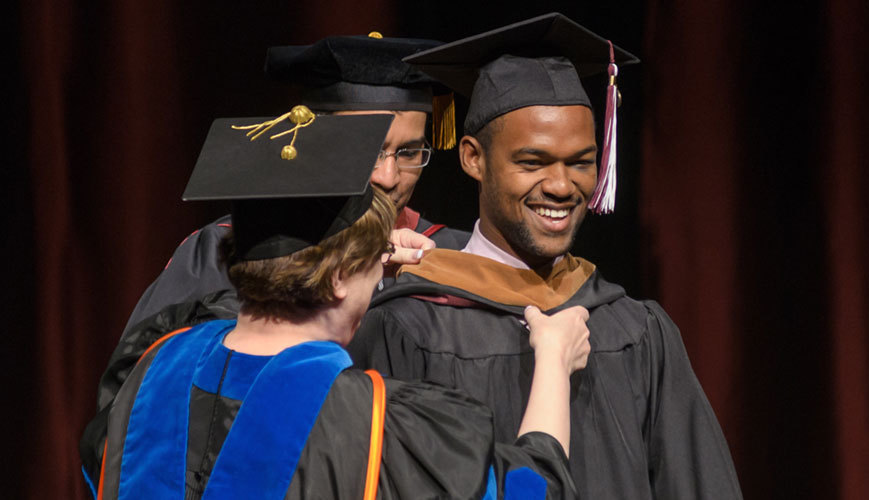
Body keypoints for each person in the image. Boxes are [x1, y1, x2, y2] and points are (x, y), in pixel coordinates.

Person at [347, 13, 743, 499]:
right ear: (473, 157)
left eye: (580, 162)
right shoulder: (406, 328)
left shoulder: (636, 332)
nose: (560, 186)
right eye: (532, 162)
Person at [93, 112, 588, 499]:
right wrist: (553, 360)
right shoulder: (373, 421)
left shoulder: (150, 367)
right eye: (373, 267)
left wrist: (351, 266)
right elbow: (532, 490)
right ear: (336, 280)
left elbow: (216, 314)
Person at [121, 33, 471, 337]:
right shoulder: (232, 246)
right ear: (311, 140)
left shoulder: (450, 255)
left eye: (409, 153)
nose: (388, 177)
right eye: (366, 150)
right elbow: (143, 382)